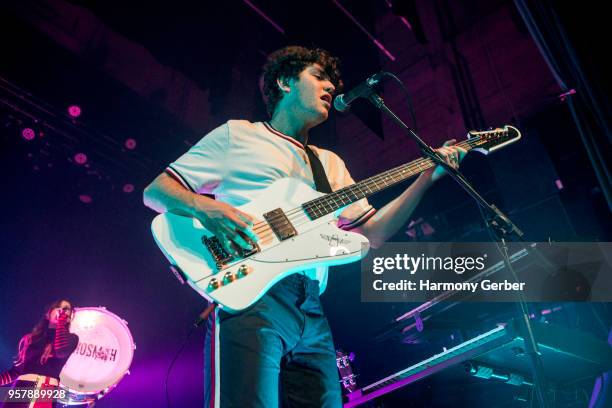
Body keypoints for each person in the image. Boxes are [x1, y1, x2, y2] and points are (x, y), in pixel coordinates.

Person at [143, 45, 465, 407]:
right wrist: (206, 208)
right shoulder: (238, 136)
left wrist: (427, 176)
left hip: (311, 306)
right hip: (253, 296)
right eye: (319, 76)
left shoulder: (329, 164)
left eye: (332, 81)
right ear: (284, 82)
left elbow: (373, 234)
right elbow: (157, 192)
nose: (330, 86)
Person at [0, 299, 79, 408]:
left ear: (70, 317)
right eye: (58, 307)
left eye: (66, 309)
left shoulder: (72, 339)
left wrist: (61, 320)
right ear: (48, 314)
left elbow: (61, 351)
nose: (62, 311)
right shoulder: (30, 339)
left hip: (46, 393)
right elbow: (16, 371)